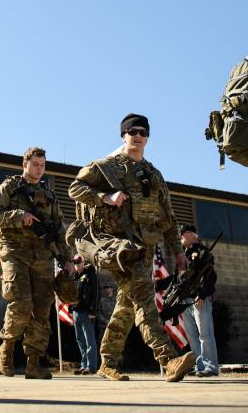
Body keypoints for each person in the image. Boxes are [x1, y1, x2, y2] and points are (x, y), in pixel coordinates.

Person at [68, 113, 195, 382]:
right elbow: (75, 188)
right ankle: (169, 359)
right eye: (132, 131)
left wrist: (178, 252)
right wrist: (105, 197)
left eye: (143, 132)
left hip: (146, 247)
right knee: (144, 299)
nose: (138, 136)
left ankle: (107, 362)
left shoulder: (154, 174)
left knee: (126, 304)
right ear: (123, 136)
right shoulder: (107, 167)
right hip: (121, 249)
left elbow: (168, 217)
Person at [0, 146, 72, 379]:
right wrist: (17, 216)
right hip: (14, 253)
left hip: (42, 256)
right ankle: (7, 347)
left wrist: (66, 259)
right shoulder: (9, 188)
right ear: (24, 164)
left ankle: (34, 363)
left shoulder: (50, 196)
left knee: (42, 311)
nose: (39, 169)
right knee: (21, 304)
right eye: (35, 164)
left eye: (42, 165)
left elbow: (58, 231)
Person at [178, 225, 219, 377]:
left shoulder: (202, 252)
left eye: (184, 233)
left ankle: (210, 366)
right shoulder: (183, 255)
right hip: (186, 300)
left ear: (193, 235)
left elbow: (210, 277)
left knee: (205, 334)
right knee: (192, 336)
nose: (181, 235)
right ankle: (200, 365)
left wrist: (201, 294)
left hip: (198, 299)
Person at [71, 255, 99, 375]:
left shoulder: (91, 276)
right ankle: (84, 364)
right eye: (75, 263)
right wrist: (70, 310)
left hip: (87, 313)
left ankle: (91, 366)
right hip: (76, 312)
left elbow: (96, 294)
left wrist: (93, 311)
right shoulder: (75, 276)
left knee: (89, 340)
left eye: (79, 262)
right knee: (80, 340)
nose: (77, 265)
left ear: (84, 263)